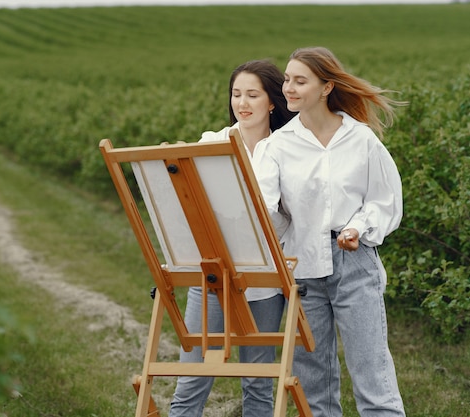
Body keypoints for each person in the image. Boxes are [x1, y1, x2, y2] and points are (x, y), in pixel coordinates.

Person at [254, 46, 407, 417]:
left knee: (372, 376)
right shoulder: (276, 147)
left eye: (299, 81)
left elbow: (385, 201)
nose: (288, 88)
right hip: (302, 268)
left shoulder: (361, 139)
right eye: (287, 79)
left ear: (325, 88)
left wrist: (356, 227)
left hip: (354, 264)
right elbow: (266, 213)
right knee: (314, 385)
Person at [168, 59, 295, 417]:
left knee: (257, 380)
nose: (242, 102)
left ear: (272, 101)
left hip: (263, 278)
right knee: (193, 376)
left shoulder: (286, 149)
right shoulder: (213, 142)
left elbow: (283, 213)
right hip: (212, 274)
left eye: (252, 94)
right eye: (236, 94)